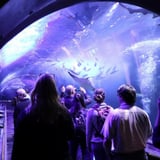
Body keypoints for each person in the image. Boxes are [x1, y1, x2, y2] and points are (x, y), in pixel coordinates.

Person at [11, 73, 75, 160]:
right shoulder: (63, 113)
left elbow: (18, 145)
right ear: (54, 90)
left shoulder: (26, 114)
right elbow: (71, 135)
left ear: (37, 89)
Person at [102, 84, 153, 160]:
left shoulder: (113, 115)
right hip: (141, 156)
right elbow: (149, 134)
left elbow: (106, 140)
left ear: (120, 97)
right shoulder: (143, 113)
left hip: (121, 157)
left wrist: (109, 156)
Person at [86, 88, 113, 160]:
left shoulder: (91, 111)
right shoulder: (111, 110)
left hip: (96, 143)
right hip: (109, 142)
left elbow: (88, 131)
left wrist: (88, 144)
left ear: (94, 97)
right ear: (104, 96)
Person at [69, 92, 91, 160]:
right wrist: (85, 93)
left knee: (73, 153)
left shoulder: (70, 111)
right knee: (85, 152)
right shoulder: (87, 111)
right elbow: (89, 100)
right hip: (84, 133)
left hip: (73, 134)